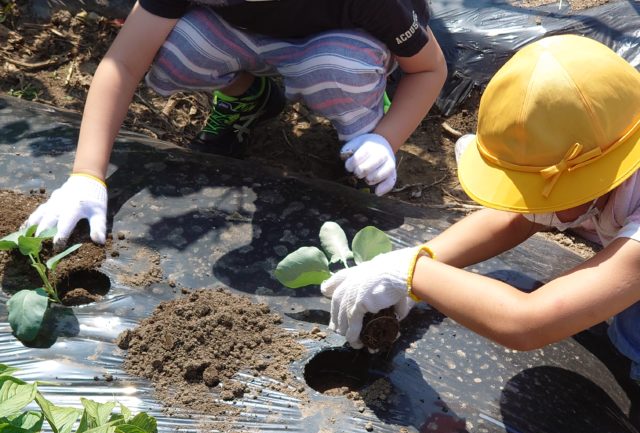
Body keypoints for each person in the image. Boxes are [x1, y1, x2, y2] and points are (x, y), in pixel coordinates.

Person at [321, 34, 640, 391]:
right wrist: (418, 259)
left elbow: (528, 323)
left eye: (543, 194)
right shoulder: (616, 146)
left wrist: (415, 274)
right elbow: (513, 217)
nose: (529, 205)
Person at [24, 0, 447, 247]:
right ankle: (250, 96)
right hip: (242, 32)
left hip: (339, 42)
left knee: (340, 66)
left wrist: (385, 139)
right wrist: (86, 175)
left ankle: (360, 139)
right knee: (176, 47)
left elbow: (429, 70)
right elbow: (123, 61)